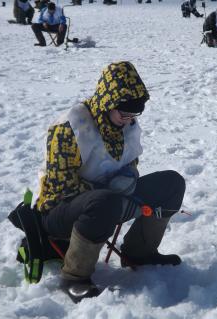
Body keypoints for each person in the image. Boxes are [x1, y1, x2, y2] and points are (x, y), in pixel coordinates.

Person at [31, 61, 186, 302]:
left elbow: (130, 162)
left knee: (172, 184)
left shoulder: (126, 124)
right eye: (124, 113)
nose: (128, 119)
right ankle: (74, 277)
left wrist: (128, 178)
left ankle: (139, 252)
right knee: (105, 202)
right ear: (107, 103)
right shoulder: (70, 128)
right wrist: (110, 192)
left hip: (110, 202)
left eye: (134, 114)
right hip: (60, 211)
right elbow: (62, 187)